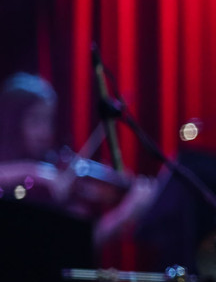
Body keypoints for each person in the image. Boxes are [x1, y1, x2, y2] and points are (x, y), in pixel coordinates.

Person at [0, 70, 157, 246]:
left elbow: (76, 244)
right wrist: (35, 172)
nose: (45, 132)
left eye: (49, 120)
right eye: (35, 120)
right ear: (12, 122)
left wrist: (127, 211)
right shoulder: (25, 180)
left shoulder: (58, 189)